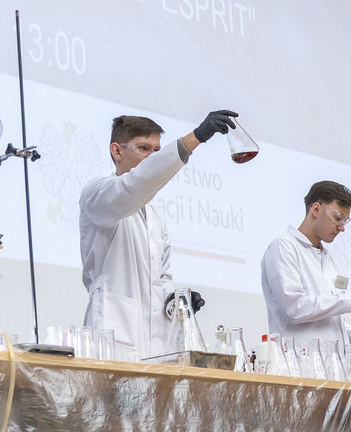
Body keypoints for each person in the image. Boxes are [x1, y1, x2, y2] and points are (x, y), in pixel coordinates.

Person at [79, 109, 237, 360]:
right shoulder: (97, 194)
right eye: (144, 148)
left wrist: (175, 301)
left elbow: (161, 279)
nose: (153, 157)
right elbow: (135, 184)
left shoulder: (156, 214)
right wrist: (194, 138)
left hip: (157, 345)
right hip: (114, 340)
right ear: (117, 151)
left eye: (157, 150)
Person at [260, 181, 351, 357]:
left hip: (335, 365)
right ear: (316, 209)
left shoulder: (329, 259)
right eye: (337, 218)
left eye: (345, 221)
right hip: (300, 364)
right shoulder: (283, 247)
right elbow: (295, 308)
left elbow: (331, 321)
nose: (342, 228)